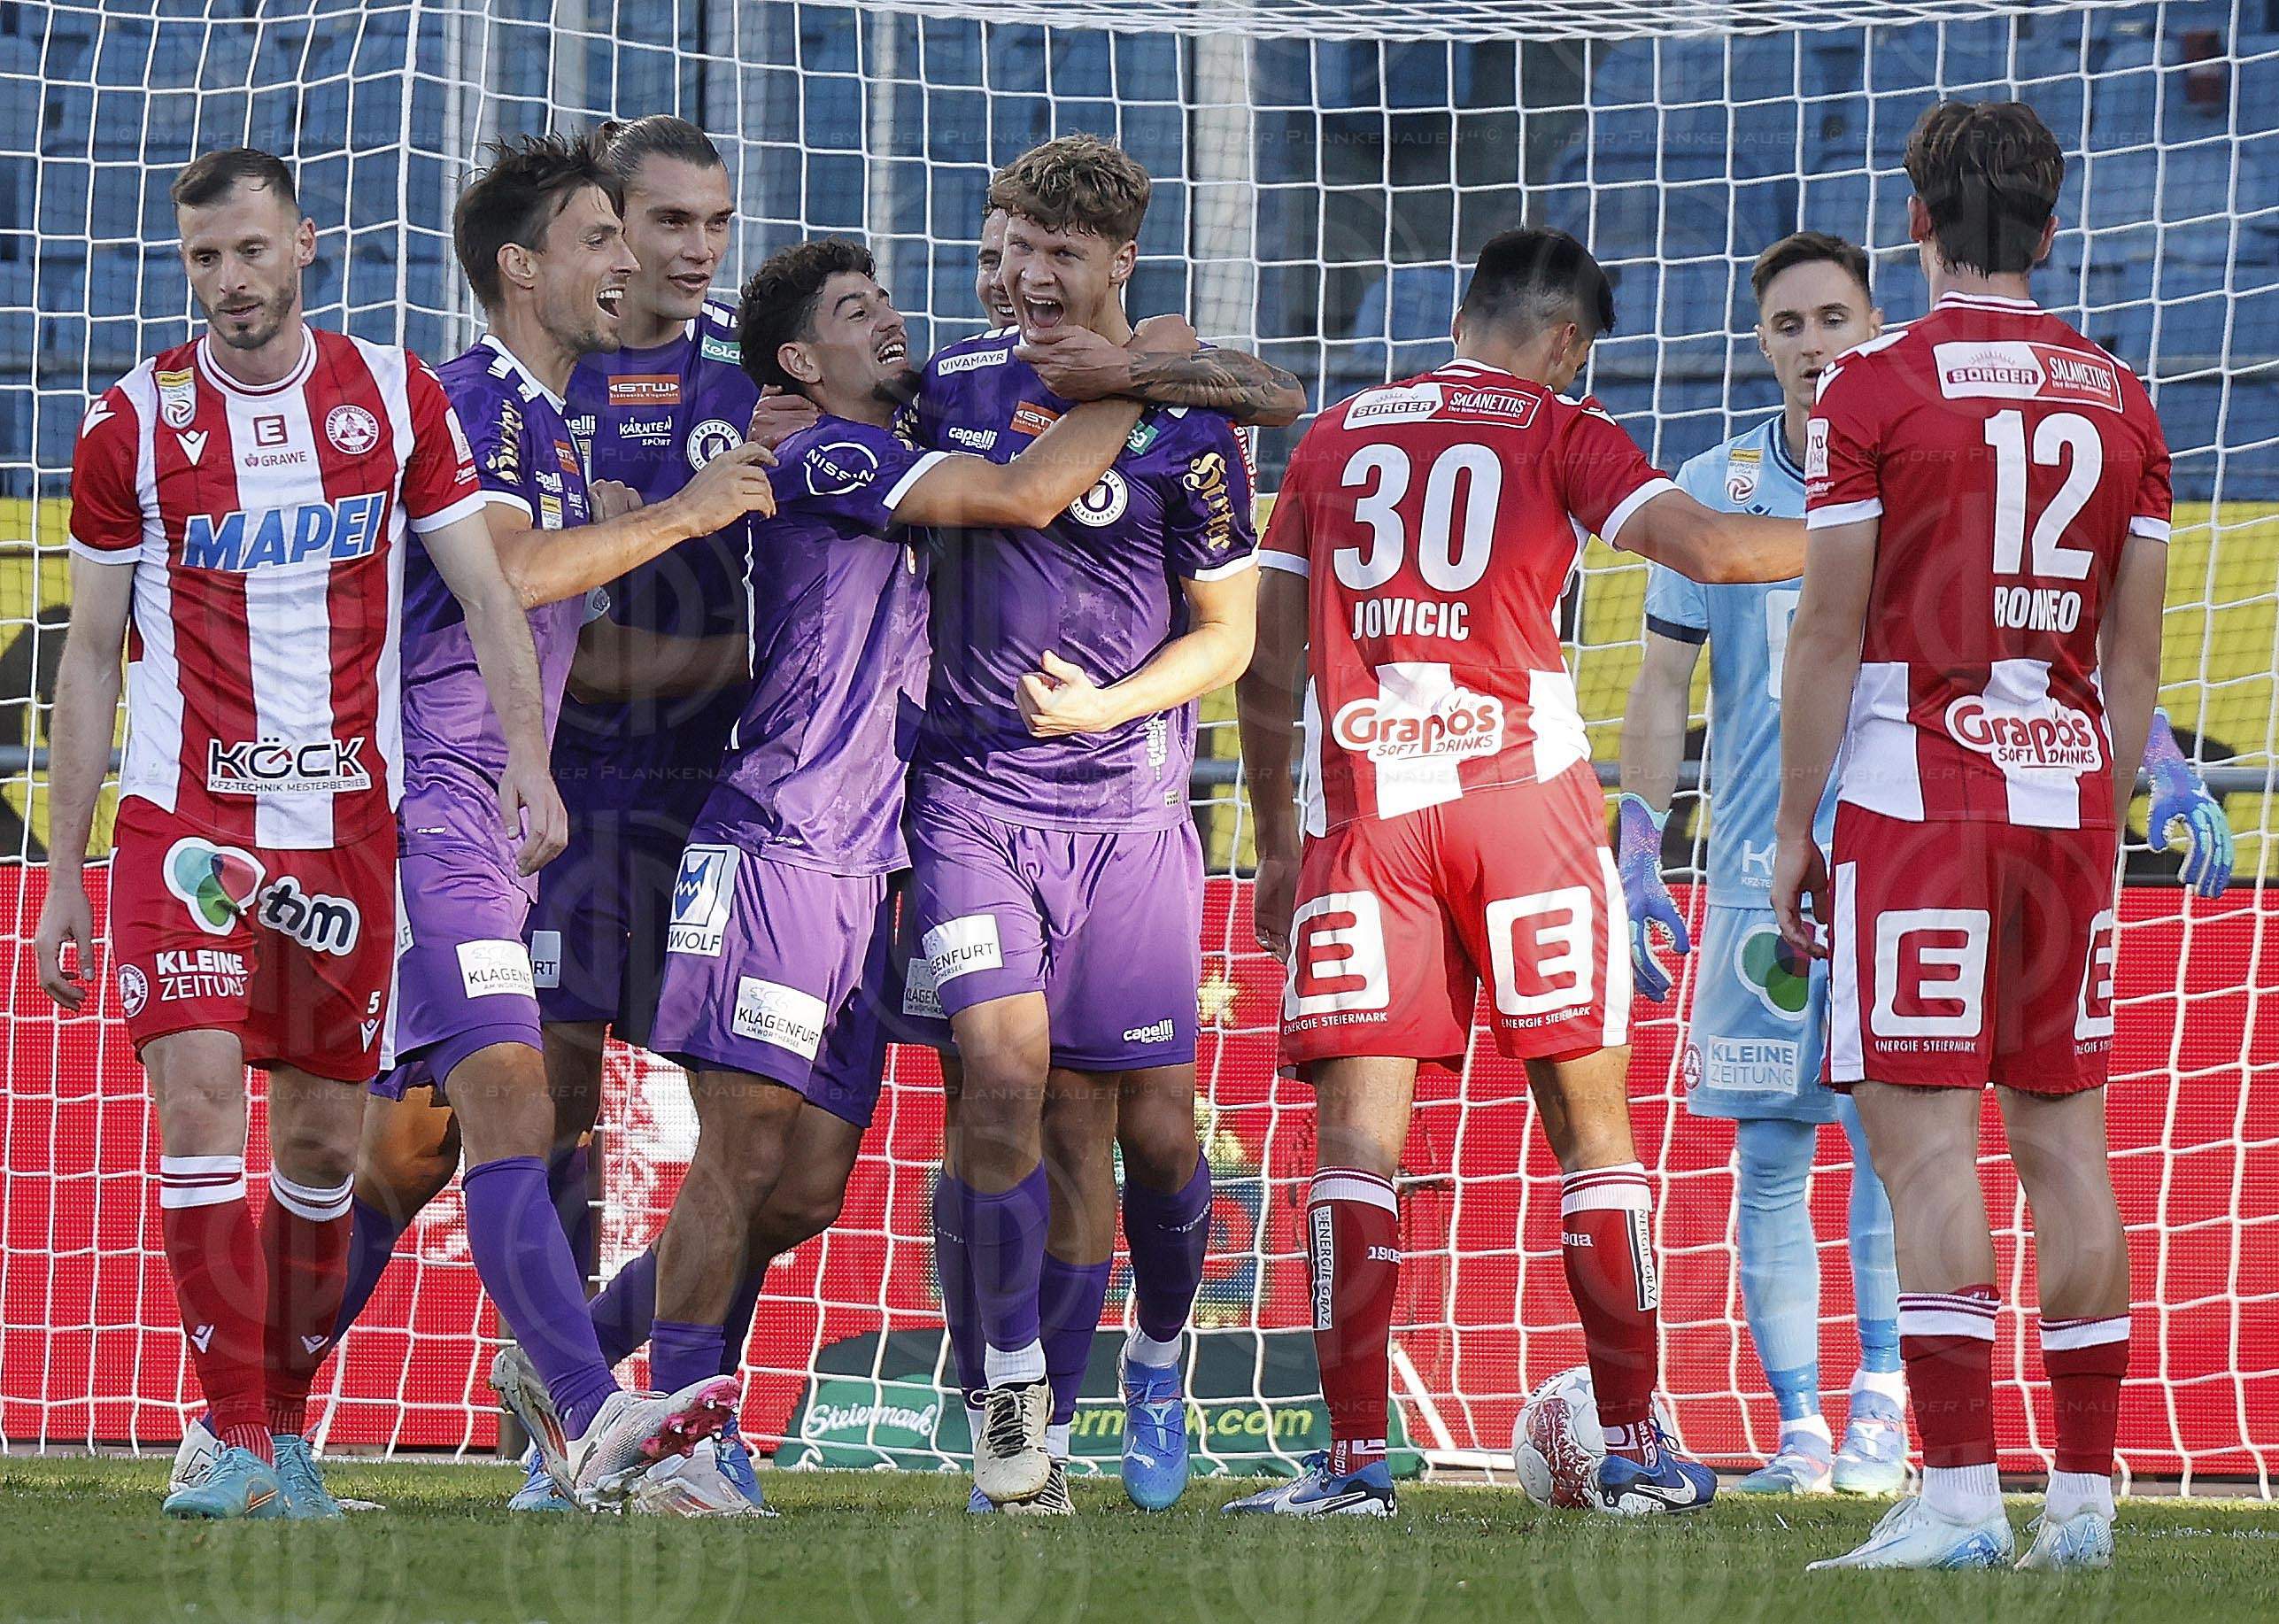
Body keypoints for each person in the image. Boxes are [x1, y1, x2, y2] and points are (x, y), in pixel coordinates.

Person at [1234, 227, 1808, 1519]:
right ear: (1566, 343)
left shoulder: (1332, 437)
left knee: (1357, 1148)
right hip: (1519, 808)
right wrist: (1866, 531)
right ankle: (1639, 1446)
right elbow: (1718, 552)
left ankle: (1353, 1465)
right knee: (1591, 1133)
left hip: (1368, 819)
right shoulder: (1561, 427)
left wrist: (1274, 841)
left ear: (1463, 316)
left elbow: (1268, 668)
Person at [629, 235, 1183, 1516]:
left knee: (809, 1186)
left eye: (885, 299)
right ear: (797, 360)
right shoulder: (829, 453)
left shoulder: (893, 432)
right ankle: (674, 1437)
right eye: (853, 309)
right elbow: (1024, 493)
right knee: (742, 1153)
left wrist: (1156, 362)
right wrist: (1140, 371)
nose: (889, 319)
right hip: (776, 839)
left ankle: (594, 1363)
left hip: (872, 855)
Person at [31, 146, 548, 1520]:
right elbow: (87, 654)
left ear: (305, 245)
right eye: (203, 257)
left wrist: (528, 761)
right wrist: (65, 867)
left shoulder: (393, 395)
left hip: (343, 835)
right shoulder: (130, 423)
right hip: (186, 829)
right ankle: (235, 1440)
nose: (228, 280)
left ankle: (279, 1430)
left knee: (321, 1153)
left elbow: (488, 595)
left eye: (250, 250)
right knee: (198, 1104)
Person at [309, 114, 769, 1516]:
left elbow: (523, 591)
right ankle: (588, 1415)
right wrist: (685, 513)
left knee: (401, 1148)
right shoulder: (483, 402)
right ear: (524, 267)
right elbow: (509, 577)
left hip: (477, 812)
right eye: (599, 238)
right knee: (506, 1100)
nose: (625, 260)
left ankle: (237, 1418)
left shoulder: (541, 419)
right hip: (418, 803)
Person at [1775, 100, 2172, 1573]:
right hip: (2065, 799)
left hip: (1915, 797)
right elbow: (2133, 661)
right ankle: (2081, 1503)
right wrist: (2096, 817)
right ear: (2051, 230)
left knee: (1926, 1144)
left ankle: (1952, 1497)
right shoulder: (2122, 398)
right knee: (2065, 1143)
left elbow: (1827, 628)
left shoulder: (1871, 383)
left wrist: (1793, 828)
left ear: (1915, 219)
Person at [901, 135, 1260, 1512]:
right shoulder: (951, 389)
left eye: (1063, 251)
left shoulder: (1190, 424)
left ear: (1120, 260)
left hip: (1127, 817)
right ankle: (1013, 1406)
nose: (1033, 275)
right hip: (970, 800)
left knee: (1150, 1133)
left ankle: (1154, 1359)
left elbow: (1226, 634)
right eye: (1018, 246)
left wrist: (1108, 703)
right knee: (1002, 1084)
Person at [1617, 231, 1909, 1495]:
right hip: (1750, 873)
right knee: (1771, 1158)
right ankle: (1800, 1430)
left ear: (1873, 325)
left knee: (1896, 1143)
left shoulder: (1920, 469)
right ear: (1759, 342)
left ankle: (1883, 1406)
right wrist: (1638, 838)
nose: (1813, 345)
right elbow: (1662, 680)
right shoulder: (1713, 482)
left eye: (1833, 318)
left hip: (1895, 856)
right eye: (1788, 325)